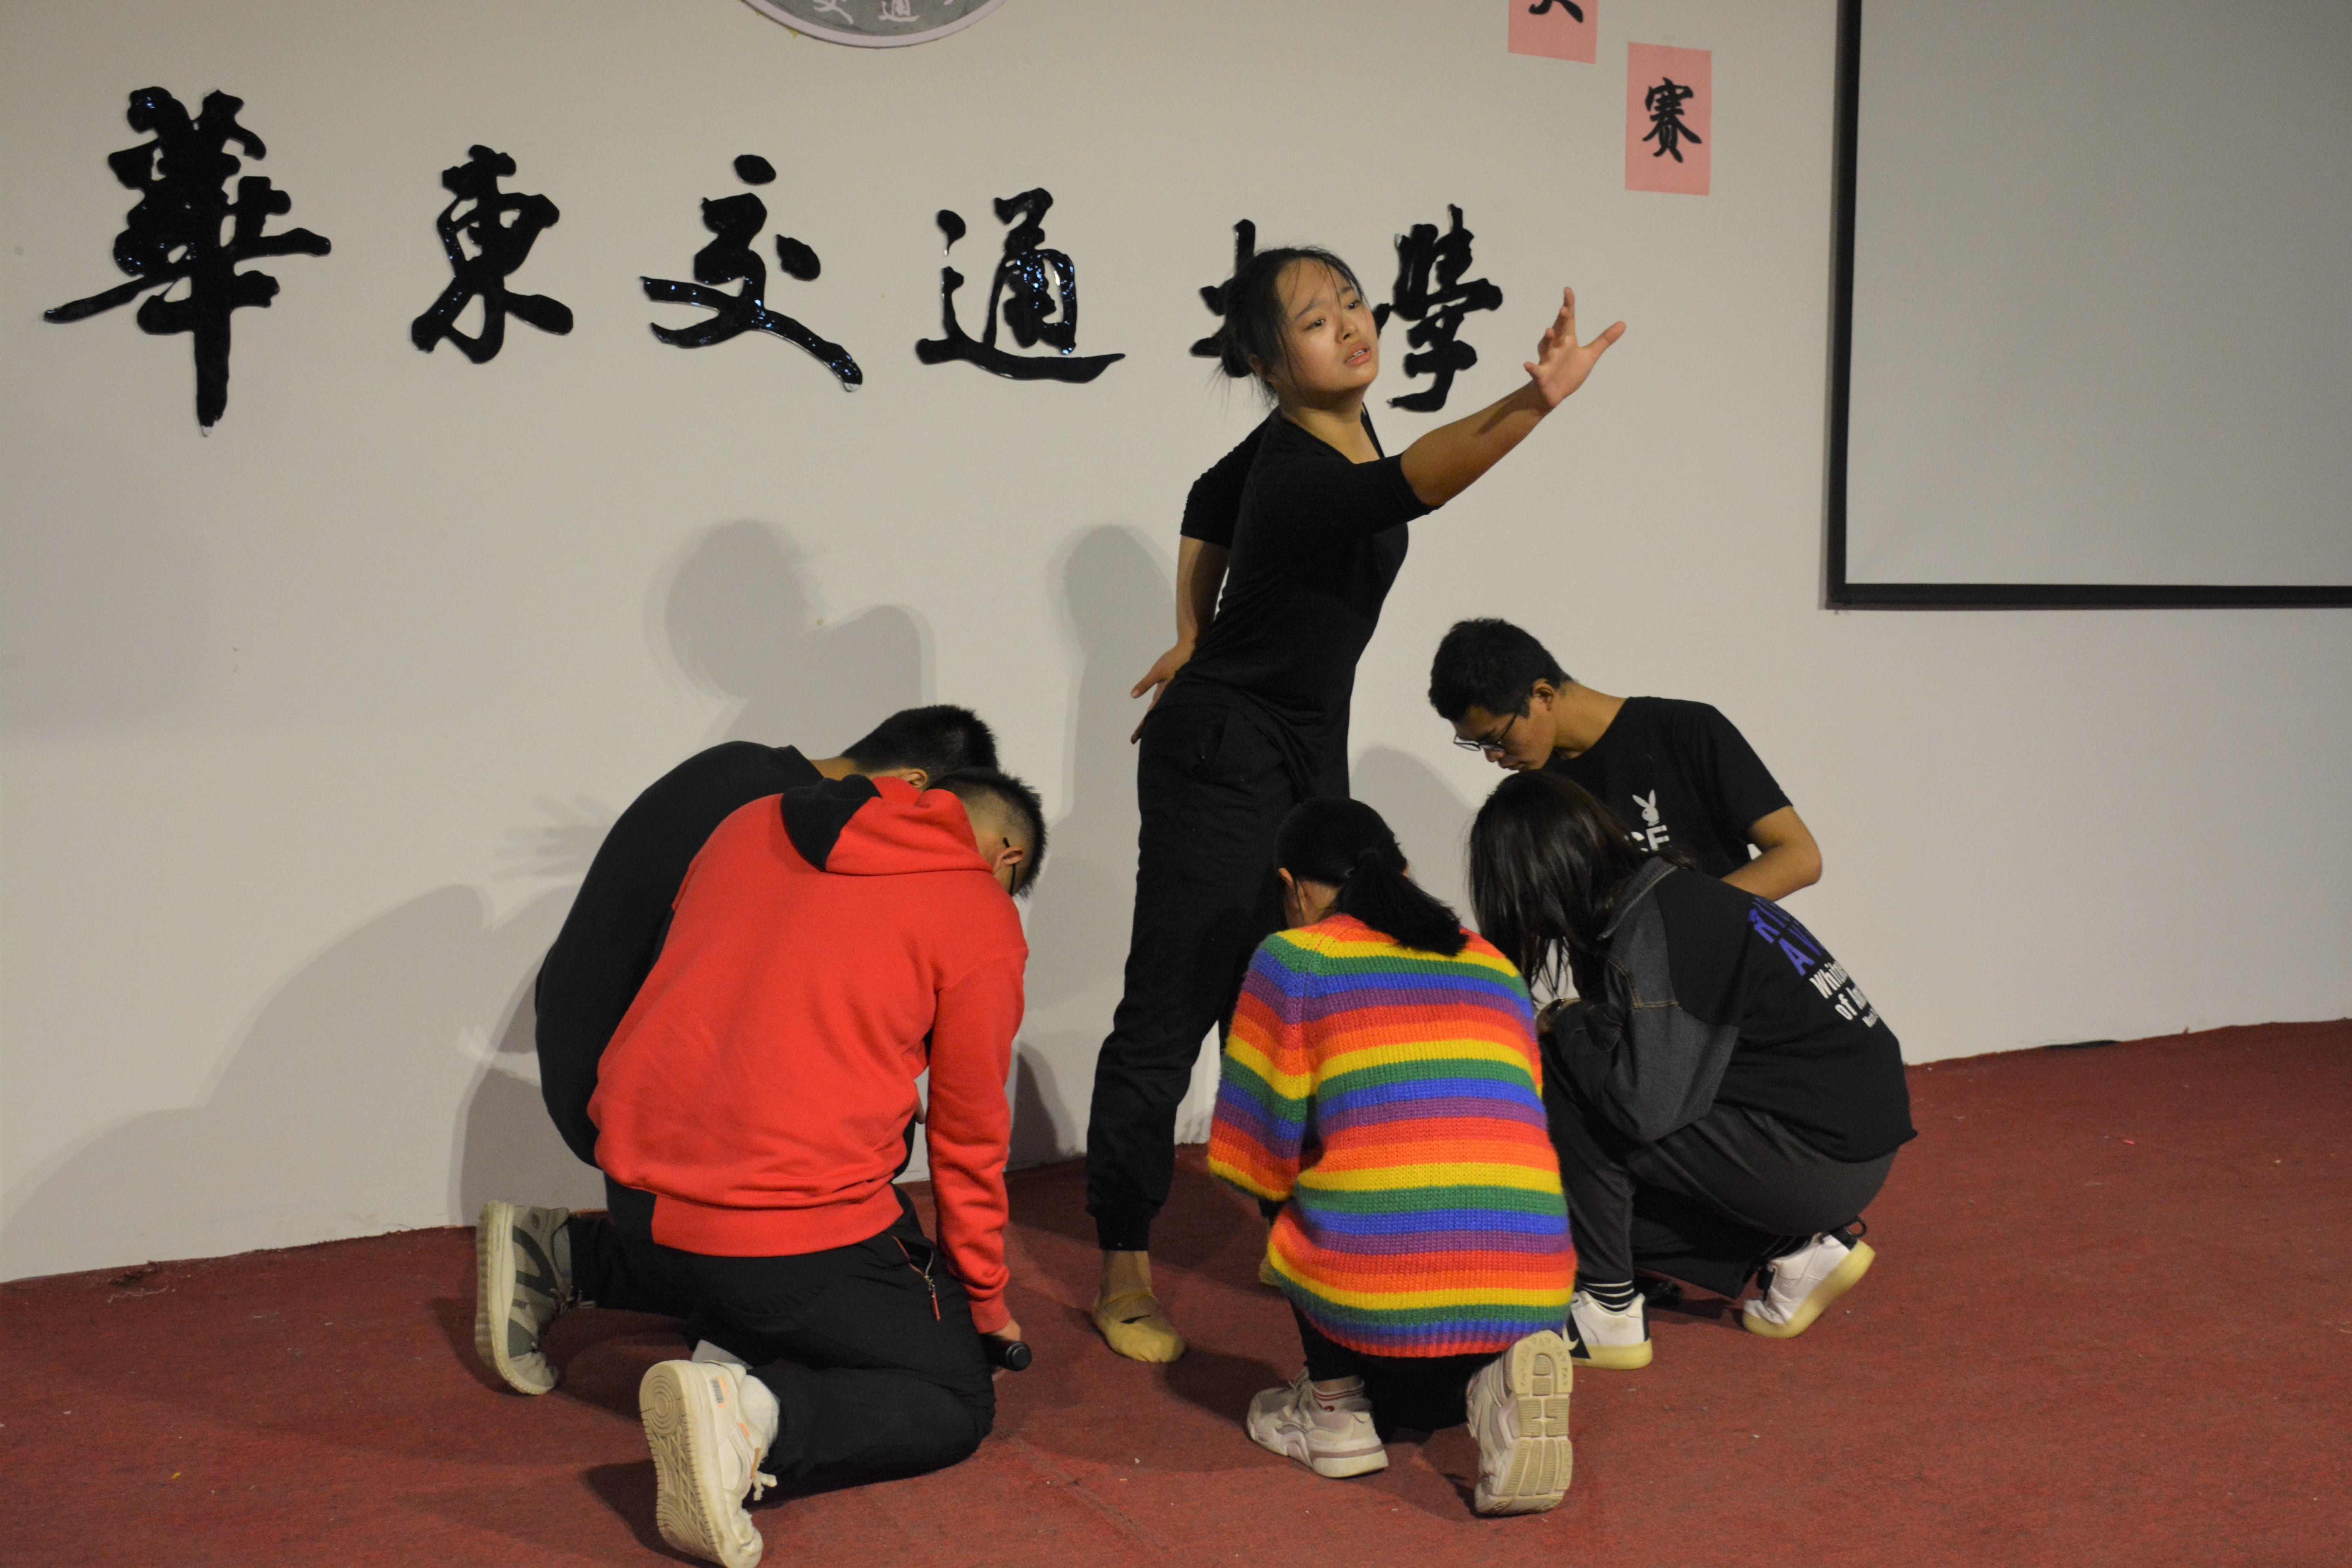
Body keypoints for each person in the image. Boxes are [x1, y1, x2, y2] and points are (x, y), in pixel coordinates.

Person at [1086, 245, 1624, 1361]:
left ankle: (1298, 1217)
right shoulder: (1297, 468)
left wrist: (1192, 629)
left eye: (1349, 302)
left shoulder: (1332, 429)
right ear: (1264, 361)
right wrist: (1535, 400)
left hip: (1297, 752)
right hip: (1220, 754)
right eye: (1312, 318)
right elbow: (1417, 483)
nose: (1347, 324)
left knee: (1293, 989)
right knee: (1174, 1002)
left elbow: (1205, 496)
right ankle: (1123, 1261)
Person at [474, 767, 1045, 1568]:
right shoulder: (978, 912)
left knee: (752, 1254)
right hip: (781, 1236)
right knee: (952, 1394)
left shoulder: (753, 820)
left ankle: (569, 1254)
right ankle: (751, 1420)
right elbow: (969, 1134)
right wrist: (984, 1300)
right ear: (1007, 855)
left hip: (635, 1189)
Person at [1466, 770, 1913, 1372]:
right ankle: (1790, 1251)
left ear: (1533, 880)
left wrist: (1566, 1022)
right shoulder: (1676, 896)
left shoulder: (1652, 936)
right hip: (1850, 1139)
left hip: (1817, 1157)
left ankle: (1607, 1309)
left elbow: (1641, 1107)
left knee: (1566, 1077)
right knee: (1580, 1200)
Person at [1207, 798, 1575, 1516]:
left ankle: (1333, 1408)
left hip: (1376, 1286)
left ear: (1291, 886)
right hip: (1531, 1272)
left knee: (1296, 1184)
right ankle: (1500, 1375)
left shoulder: (1296, 958)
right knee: (1425, 1395)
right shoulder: (1490, 961)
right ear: (1402, 871)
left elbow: (1254, 1151)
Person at [535, 705, 999, 1167]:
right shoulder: (805, 823)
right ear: (913, 783)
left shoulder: (729, 762)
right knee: (885, 1131)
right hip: (623, 1099)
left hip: (571, 1054)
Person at [1429, 619, 1820, 900]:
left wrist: (1684, 923)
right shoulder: (1536, 788)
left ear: (1543, 695)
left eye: (1496, 738)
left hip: (1723, 979)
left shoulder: (1687, 730)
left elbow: (1799, 857)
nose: (1493, 758)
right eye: (1478, 746)